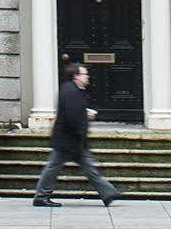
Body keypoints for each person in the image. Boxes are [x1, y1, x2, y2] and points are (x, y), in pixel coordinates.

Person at [32, 62, 119, 207]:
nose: (88, 76)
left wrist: (84, 116)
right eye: (85, 74)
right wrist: (84, 120)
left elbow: (73, 112)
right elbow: (71, 116)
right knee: (54, 167)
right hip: (68, 139)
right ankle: (41, 196)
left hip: (73, 139)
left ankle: (108, 193)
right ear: (76, 76)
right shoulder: (70, 91)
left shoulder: (75, 90)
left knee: (88, 167)